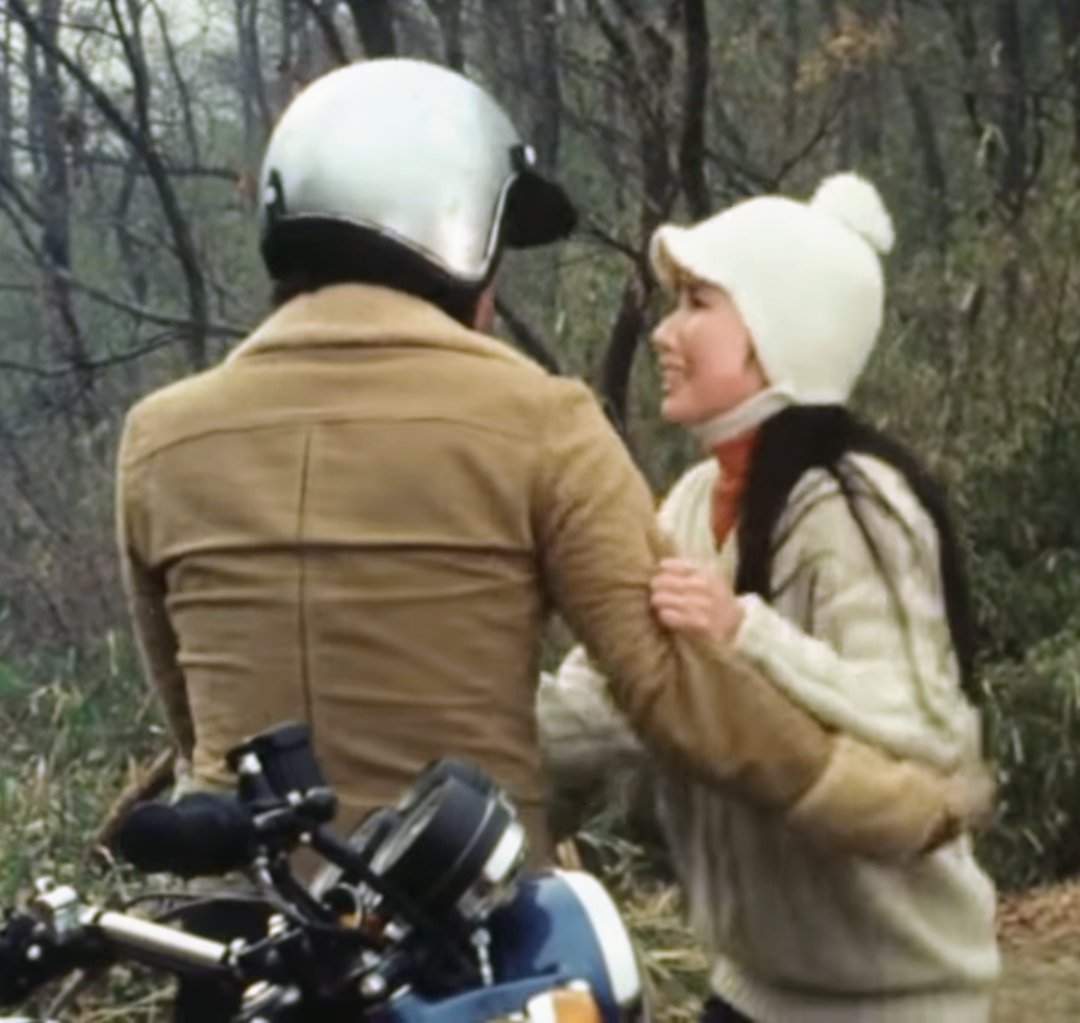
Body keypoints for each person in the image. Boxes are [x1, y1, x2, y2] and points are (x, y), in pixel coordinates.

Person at [115, 59, 991, 873]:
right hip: (460, 921)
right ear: (453, 239)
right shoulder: (542, 420)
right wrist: (899, 808)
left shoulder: (158, 439)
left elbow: (193, 719)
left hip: (242, 926)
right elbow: (674, 694)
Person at [539, 173, 1000, 1021]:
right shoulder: (687, 506)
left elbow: (929, 726)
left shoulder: (856, 506)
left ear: (781, 329)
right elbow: (602, 700)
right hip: (750, 990)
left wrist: (747, 634)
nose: (664, 333)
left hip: (893, 1004)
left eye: (697, 303)